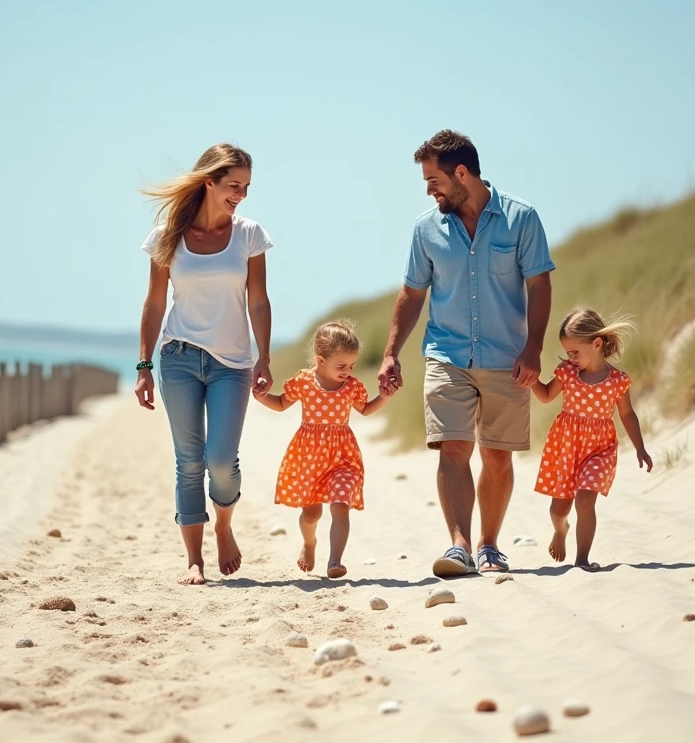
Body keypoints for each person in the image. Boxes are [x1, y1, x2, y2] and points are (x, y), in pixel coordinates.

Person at [378, 129, 555, 577]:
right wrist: (391, 352)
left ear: (462, 173)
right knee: (453, 449)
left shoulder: (522, 219)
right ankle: (458, 545)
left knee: (497, 455)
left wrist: (534, 348)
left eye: (433, 180)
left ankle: (489, 546)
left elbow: (539, 285)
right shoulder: (426, 229)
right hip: (446, 354)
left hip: (507, 358)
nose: (428, 189)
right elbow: (412, 293)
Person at [135, 143, 273, 586]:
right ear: (209, 182)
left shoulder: (249, 234)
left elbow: (258, 298)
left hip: (232, 363)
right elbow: (156, 302)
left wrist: (264, 355)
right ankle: (194, 560)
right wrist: (143, 366)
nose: (242, 194)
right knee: (188, 461)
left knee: (220, 460)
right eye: (235, 185)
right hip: (178, 358)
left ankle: (224, 524)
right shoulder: (167, 236)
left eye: (247, 187)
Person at [254, 319, 393, 578]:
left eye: (352, 365)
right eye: (341, 365)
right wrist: (262, 397)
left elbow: (364, 410)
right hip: (309, 456)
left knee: (341, 504)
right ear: (320, 360)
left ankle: (335, 561)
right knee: (311, 513)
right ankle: (309, 543)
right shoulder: (305, 382)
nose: (347, 371)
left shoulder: (351, 386)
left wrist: (384, 397)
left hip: (343, 456)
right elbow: (282, 404)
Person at [531, 307, 653, 571]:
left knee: (585, 501)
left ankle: (582, 560)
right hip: (566, 447)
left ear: (596, 344)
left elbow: (628, 414)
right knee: (558, 511)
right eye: (568, 353)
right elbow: (545, 395)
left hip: (600, 449)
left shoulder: (617, 381)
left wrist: (640, 447)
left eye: (575, 352)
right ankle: (560, 530)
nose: (570, 358)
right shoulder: (567, 373)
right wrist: (531, 380)